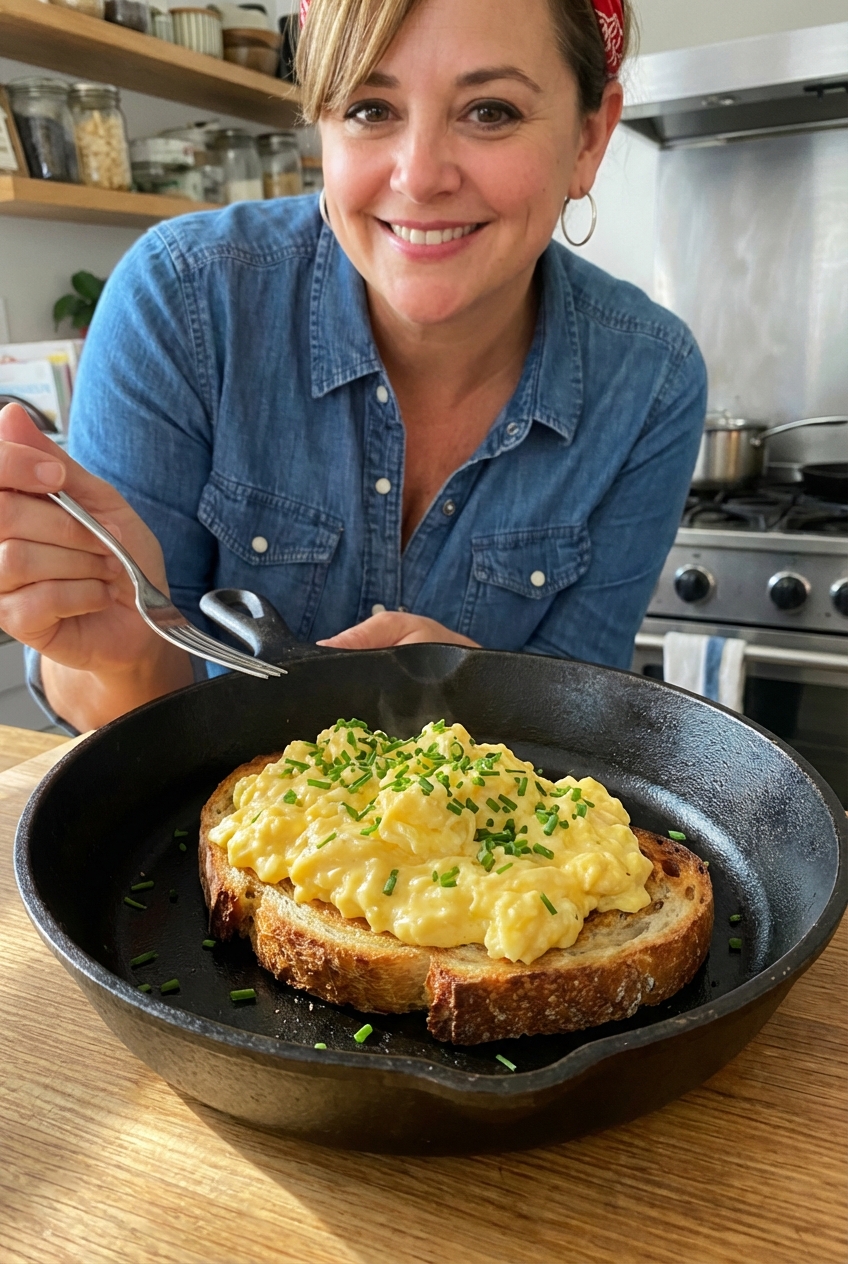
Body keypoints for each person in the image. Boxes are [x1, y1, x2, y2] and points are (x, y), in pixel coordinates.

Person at [0, 0, 706, 734]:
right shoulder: (183, 299)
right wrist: (125, 661)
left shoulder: (651, 378)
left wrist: (485, 701)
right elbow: (124, 734)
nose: (421, 175)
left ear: (589, 137)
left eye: (490, 111)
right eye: (371, 108)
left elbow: (583, 734)